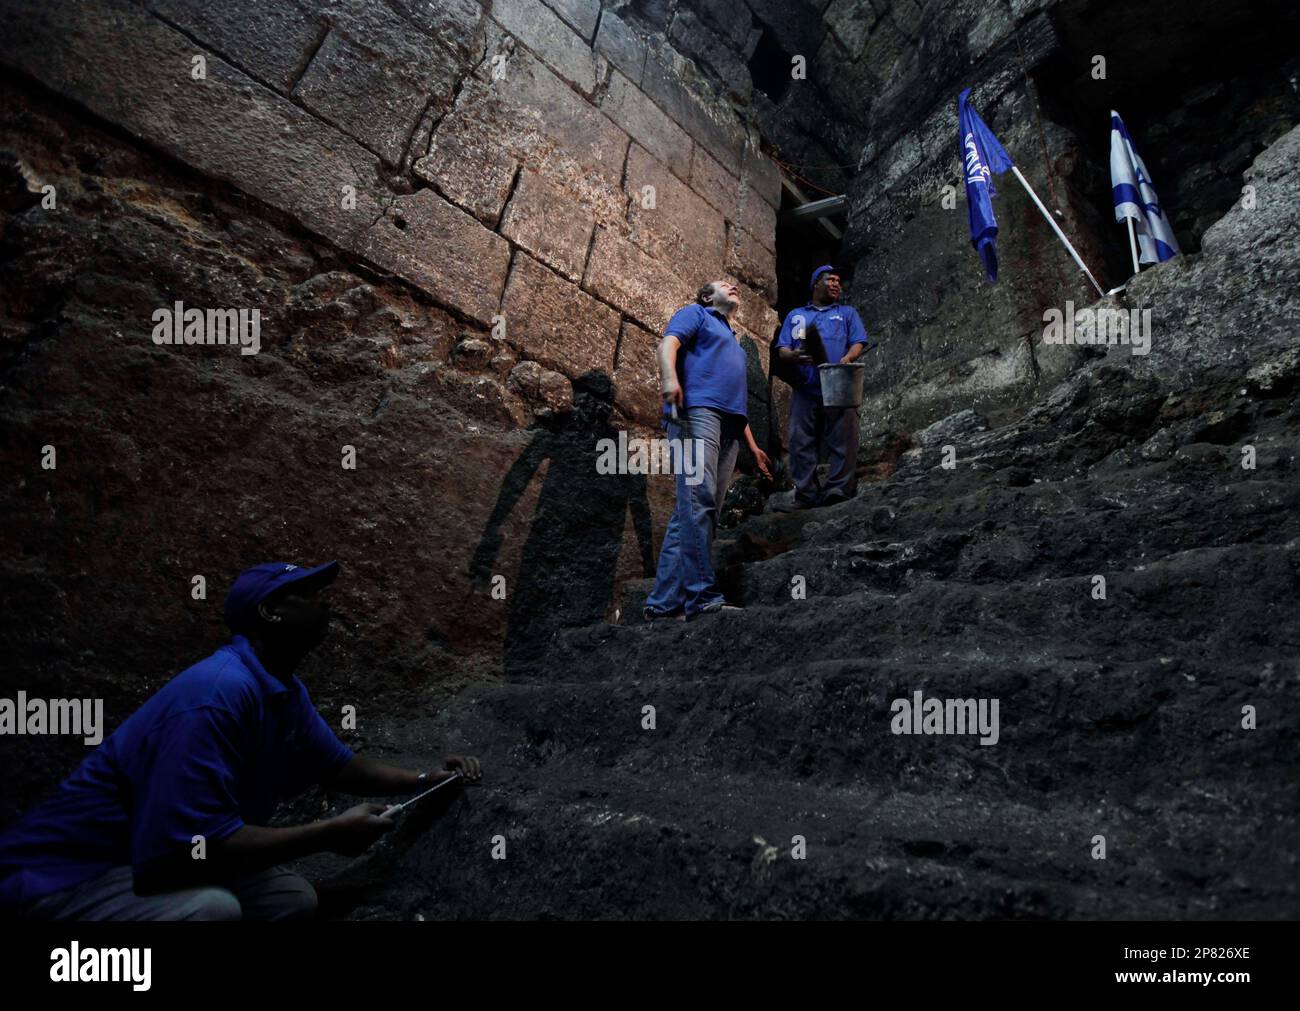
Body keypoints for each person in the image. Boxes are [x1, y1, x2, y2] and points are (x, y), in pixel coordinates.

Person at [0, 560, 483, 921]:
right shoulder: (218, 692)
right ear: (270, 611)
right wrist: (329, 834)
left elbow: (339, 767)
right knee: (212, 910)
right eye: (310, 591)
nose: (326, 601)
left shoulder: (278, 688)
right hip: (60, 878)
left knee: (292, 899)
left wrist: (423, 781)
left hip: (146, 863)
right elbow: (193, 846)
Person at [644, 279, 771, 621]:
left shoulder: (732, 339)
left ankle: (662, 603)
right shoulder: (696, 314)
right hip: (695, 414)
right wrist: (670, 379)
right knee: (698, 500)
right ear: (706, 296)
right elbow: (668, 343)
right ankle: (701, 597)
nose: (735, 288)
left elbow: (731, 398)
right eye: (726, 285)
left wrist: (754, 447)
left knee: (697, 508)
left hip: (728, 426)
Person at [773, 265, 871, 510]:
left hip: (838, 382)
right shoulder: (796, 315)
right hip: (806, 386)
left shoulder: (847, 313)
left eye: (839, 280)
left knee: (843, 436)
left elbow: (858, 341)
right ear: (816, 283)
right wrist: (794, 355)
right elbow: (782, 349)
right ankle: (806, 494)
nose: (837, 284)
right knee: (800, 439)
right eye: (831, 280)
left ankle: (838, 489)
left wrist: (847, 360)